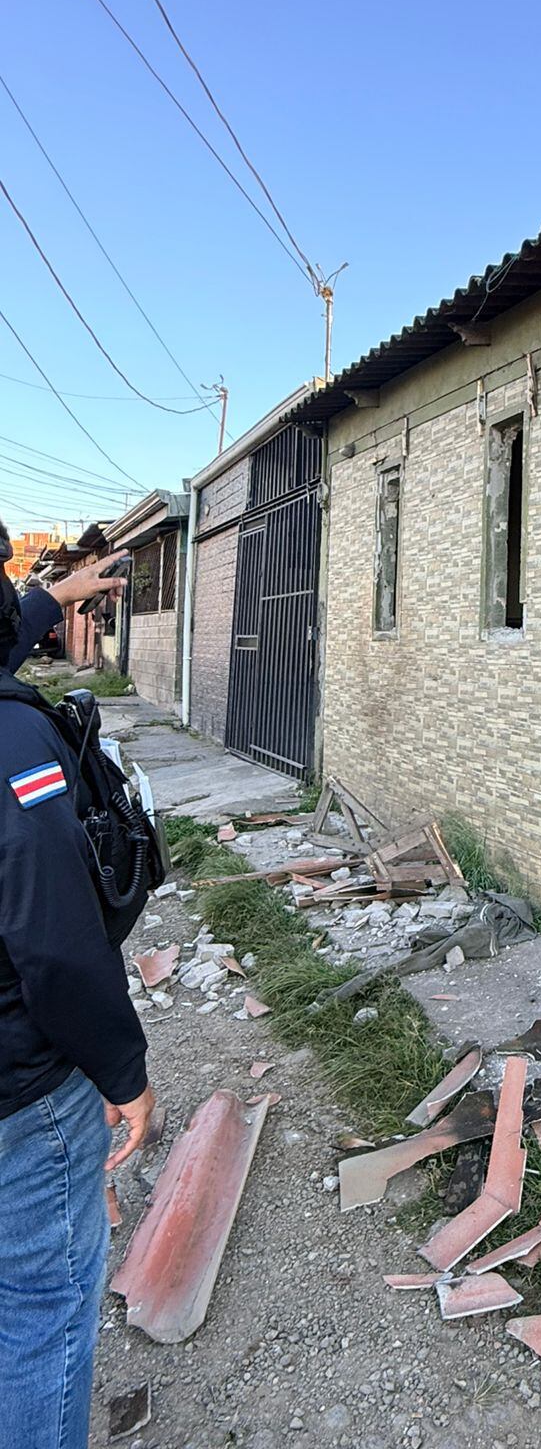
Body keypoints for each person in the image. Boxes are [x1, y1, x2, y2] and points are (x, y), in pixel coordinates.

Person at [0, 525, 155, 1449]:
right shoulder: (14, 740)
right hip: (23, 1088)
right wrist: (123, 1073)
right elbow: (54, 946)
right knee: (44, 1315)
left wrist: (54, 595)